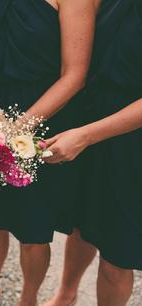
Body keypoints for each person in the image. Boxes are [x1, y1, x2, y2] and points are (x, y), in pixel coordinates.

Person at [0, 0, 101, 305]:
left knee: (33, 228)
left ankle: (29, 298)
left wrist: (23, 126)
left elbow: (75, 75)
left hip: (50, 117)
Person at [44, 0, 142, 305]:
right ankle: (65, 293)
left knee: (116, 256)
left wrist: (86, 136)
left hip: (131, 143)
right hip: (89, 114)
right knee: (81, 224)